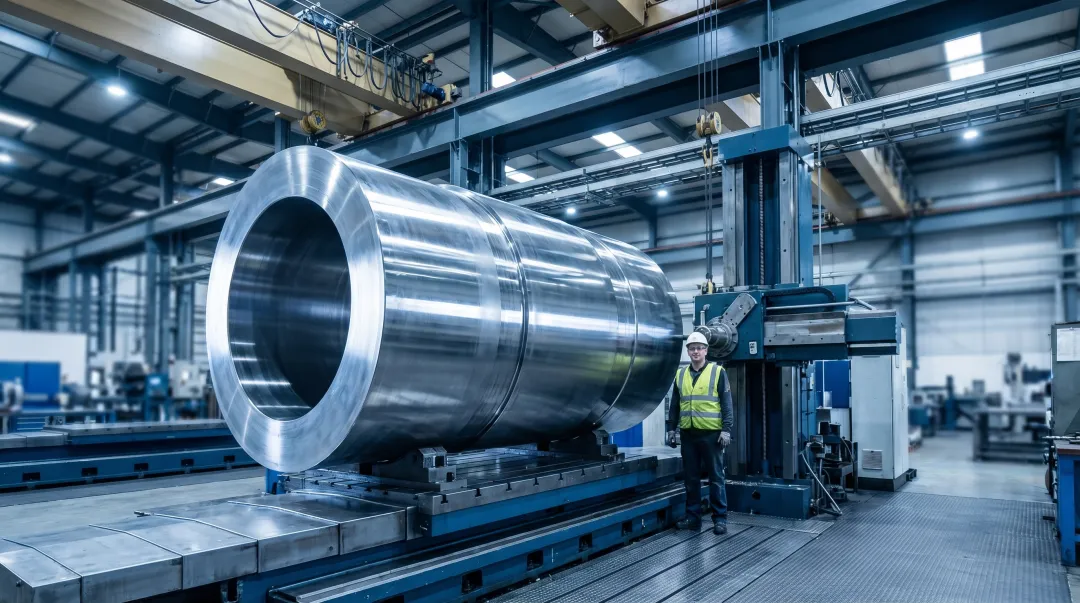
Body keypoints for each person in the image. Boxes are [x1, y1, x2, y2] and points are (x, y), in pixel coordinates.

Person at [666, 331, 734, 535]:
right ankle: (693, 518)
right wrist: (671, 428)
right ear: (687, 351)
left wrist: (726, 430)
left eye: (699, 348)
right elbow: (675, 405)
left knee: (716, 477)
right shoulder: (680, 374)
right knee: (691, 478)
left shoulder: (717, 372)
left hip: (711, 435)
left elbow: (726, 404)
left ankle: (720, 519)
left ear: (706, 351)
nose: (695, 351)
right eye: (692, 348)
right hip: (688, 435)